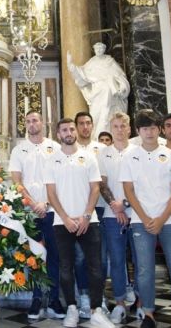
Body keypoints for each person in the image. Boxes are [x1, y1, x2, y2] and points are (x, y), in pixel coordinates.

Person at [120, 111, 171, 328]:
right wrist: (145, 217)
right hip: (141, 220)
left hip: (170, 220)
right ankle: (148, 313)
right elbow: (129, 191)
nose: (149, 132)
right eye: (144, 129)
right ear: (138, 131)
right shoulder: (130, 156)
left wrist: (160, 219)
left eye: (153, 128)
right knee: (144, 268)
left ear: (159, 129)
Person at [44, 118, 114, 328]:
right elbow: (51, 193)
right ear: (58, 134)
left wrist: (85, 215)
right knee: (66, 267)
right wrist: (65, 217)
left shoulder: (89, 157)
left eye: (71, 128)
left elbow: (95, 188)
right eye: (64, 129)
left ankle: (96, 311)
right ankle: (72, 309)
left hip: (88, 221)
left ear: (75, 131)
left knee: (95, 267)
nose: (69, 132)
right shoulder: (52, 159)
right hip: (61, 222)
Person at [9, 111, 64, 320]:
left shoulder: (55, 147)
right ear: (26, 125)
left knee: (54, 257)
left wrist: (47, 203)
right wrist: (33, 204)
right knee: (34, 257)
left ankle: (54, 299)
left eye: (36, 120)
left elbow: (61, 178)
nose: (32, 124)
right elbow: (17, 181)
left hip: (53, 211)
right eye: (29, 121)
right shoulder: (19, 150)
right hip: (29, 212)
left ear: (43, 122)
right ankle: (36, 299)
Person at [97, 112, 135, 324]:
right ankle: (120, 303)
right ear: (111, 129)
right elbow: (102, 183)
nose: (119, 130)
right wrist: (116, 206)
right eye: (116, 126)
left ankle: (141, 301)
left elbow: (142, 183)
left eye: (123, 126)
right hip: (113, 215)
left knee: (140, 260)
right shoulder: (103, 154)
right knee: (118, 260)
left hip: (139, 214)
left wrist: (127, 205)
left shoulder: (138, 151)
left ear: (129, 128)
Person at [73, 112, 107, 318]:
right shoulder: (69, 150)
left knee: (98, 257)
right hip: (77, 209)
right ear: (76, 127)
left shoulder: (102, 149)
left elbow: (103, 180)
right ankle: (84, 296)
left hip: (99, 208)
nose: (85, 127)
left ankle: (99, 297)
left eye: (88, 123)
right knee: (79, 256)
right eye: (81, 124)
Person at [66, 43, 130, 137]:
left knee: (108, 115)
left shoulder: (110, 61)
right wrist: (71, 66)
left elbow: (120, 76)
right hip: (97, 93)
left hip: (110, 93)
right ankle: (96, 137)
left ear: (104, 49)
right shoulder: (91, 63)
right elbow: (82, 75)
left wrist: (122, 86)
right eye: (97, 48)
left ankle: (109, 137)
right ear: (94, 50)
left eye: (101, 48)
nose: (99, 50)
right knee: (96, 115)